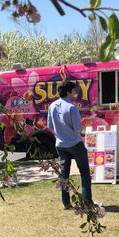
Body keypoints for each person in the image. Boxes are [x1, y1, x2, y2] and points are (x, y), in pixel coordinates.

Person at [47, 80, 93, 210]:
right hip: (75, 143)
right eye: (74, 90)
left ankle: (66, 203)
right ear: (68, 92)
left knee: (64, 175)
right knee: (84, 172)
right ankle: (87, 202)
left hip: (60, 144)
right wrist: (82, 132)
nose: (76, 92)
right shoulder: (72, 107)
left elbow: (50, 126)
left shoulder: (52, 106)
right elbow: (78, 128)